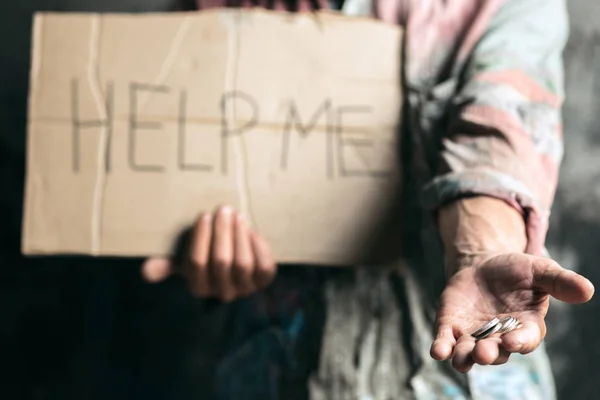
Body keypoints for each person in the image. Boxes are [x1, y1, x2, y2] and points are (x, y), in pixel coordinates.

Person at [0, 0, 593, 399]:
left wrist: (478, 252)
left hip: (445, 381)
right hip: (265, 373)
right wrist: (203, 264)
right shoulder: (211, 16)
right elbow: (178, 164)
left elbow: (496, 128)